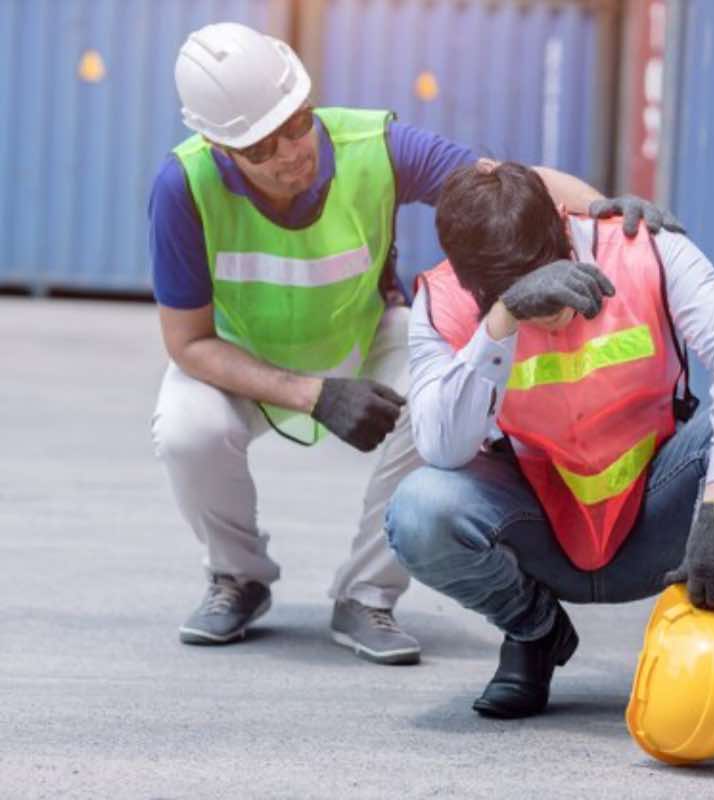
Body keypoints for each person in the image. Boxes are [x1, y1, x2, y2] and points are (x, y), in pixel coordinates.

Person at [148, 22, 677, 665]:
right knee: (186, 429)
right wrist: (311, 395)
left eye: (297, 122)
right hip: (245, 358)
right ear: (217, 143)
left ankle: (366, 593)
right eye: (262, 146)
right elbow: (188, 343)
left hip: (364, 335)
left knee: (441, 395)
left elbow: (505, 181)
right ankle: (237, 576)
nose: (291, 151)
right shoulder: (183, 188)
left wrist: (602, 212)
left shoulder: (374, 145)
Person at [385, 161, 714, 717]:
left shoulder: (645, 251)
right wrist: (502, 321)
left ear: (563, 230)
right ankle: (535, 634)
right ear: (471, 282)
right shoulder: (445, 303)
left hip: (654, 521)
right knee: (419, 510)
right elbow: (443, 448)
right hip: (542, 533)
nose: (547, 309)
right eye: (506, 290)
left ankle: (707, 646)